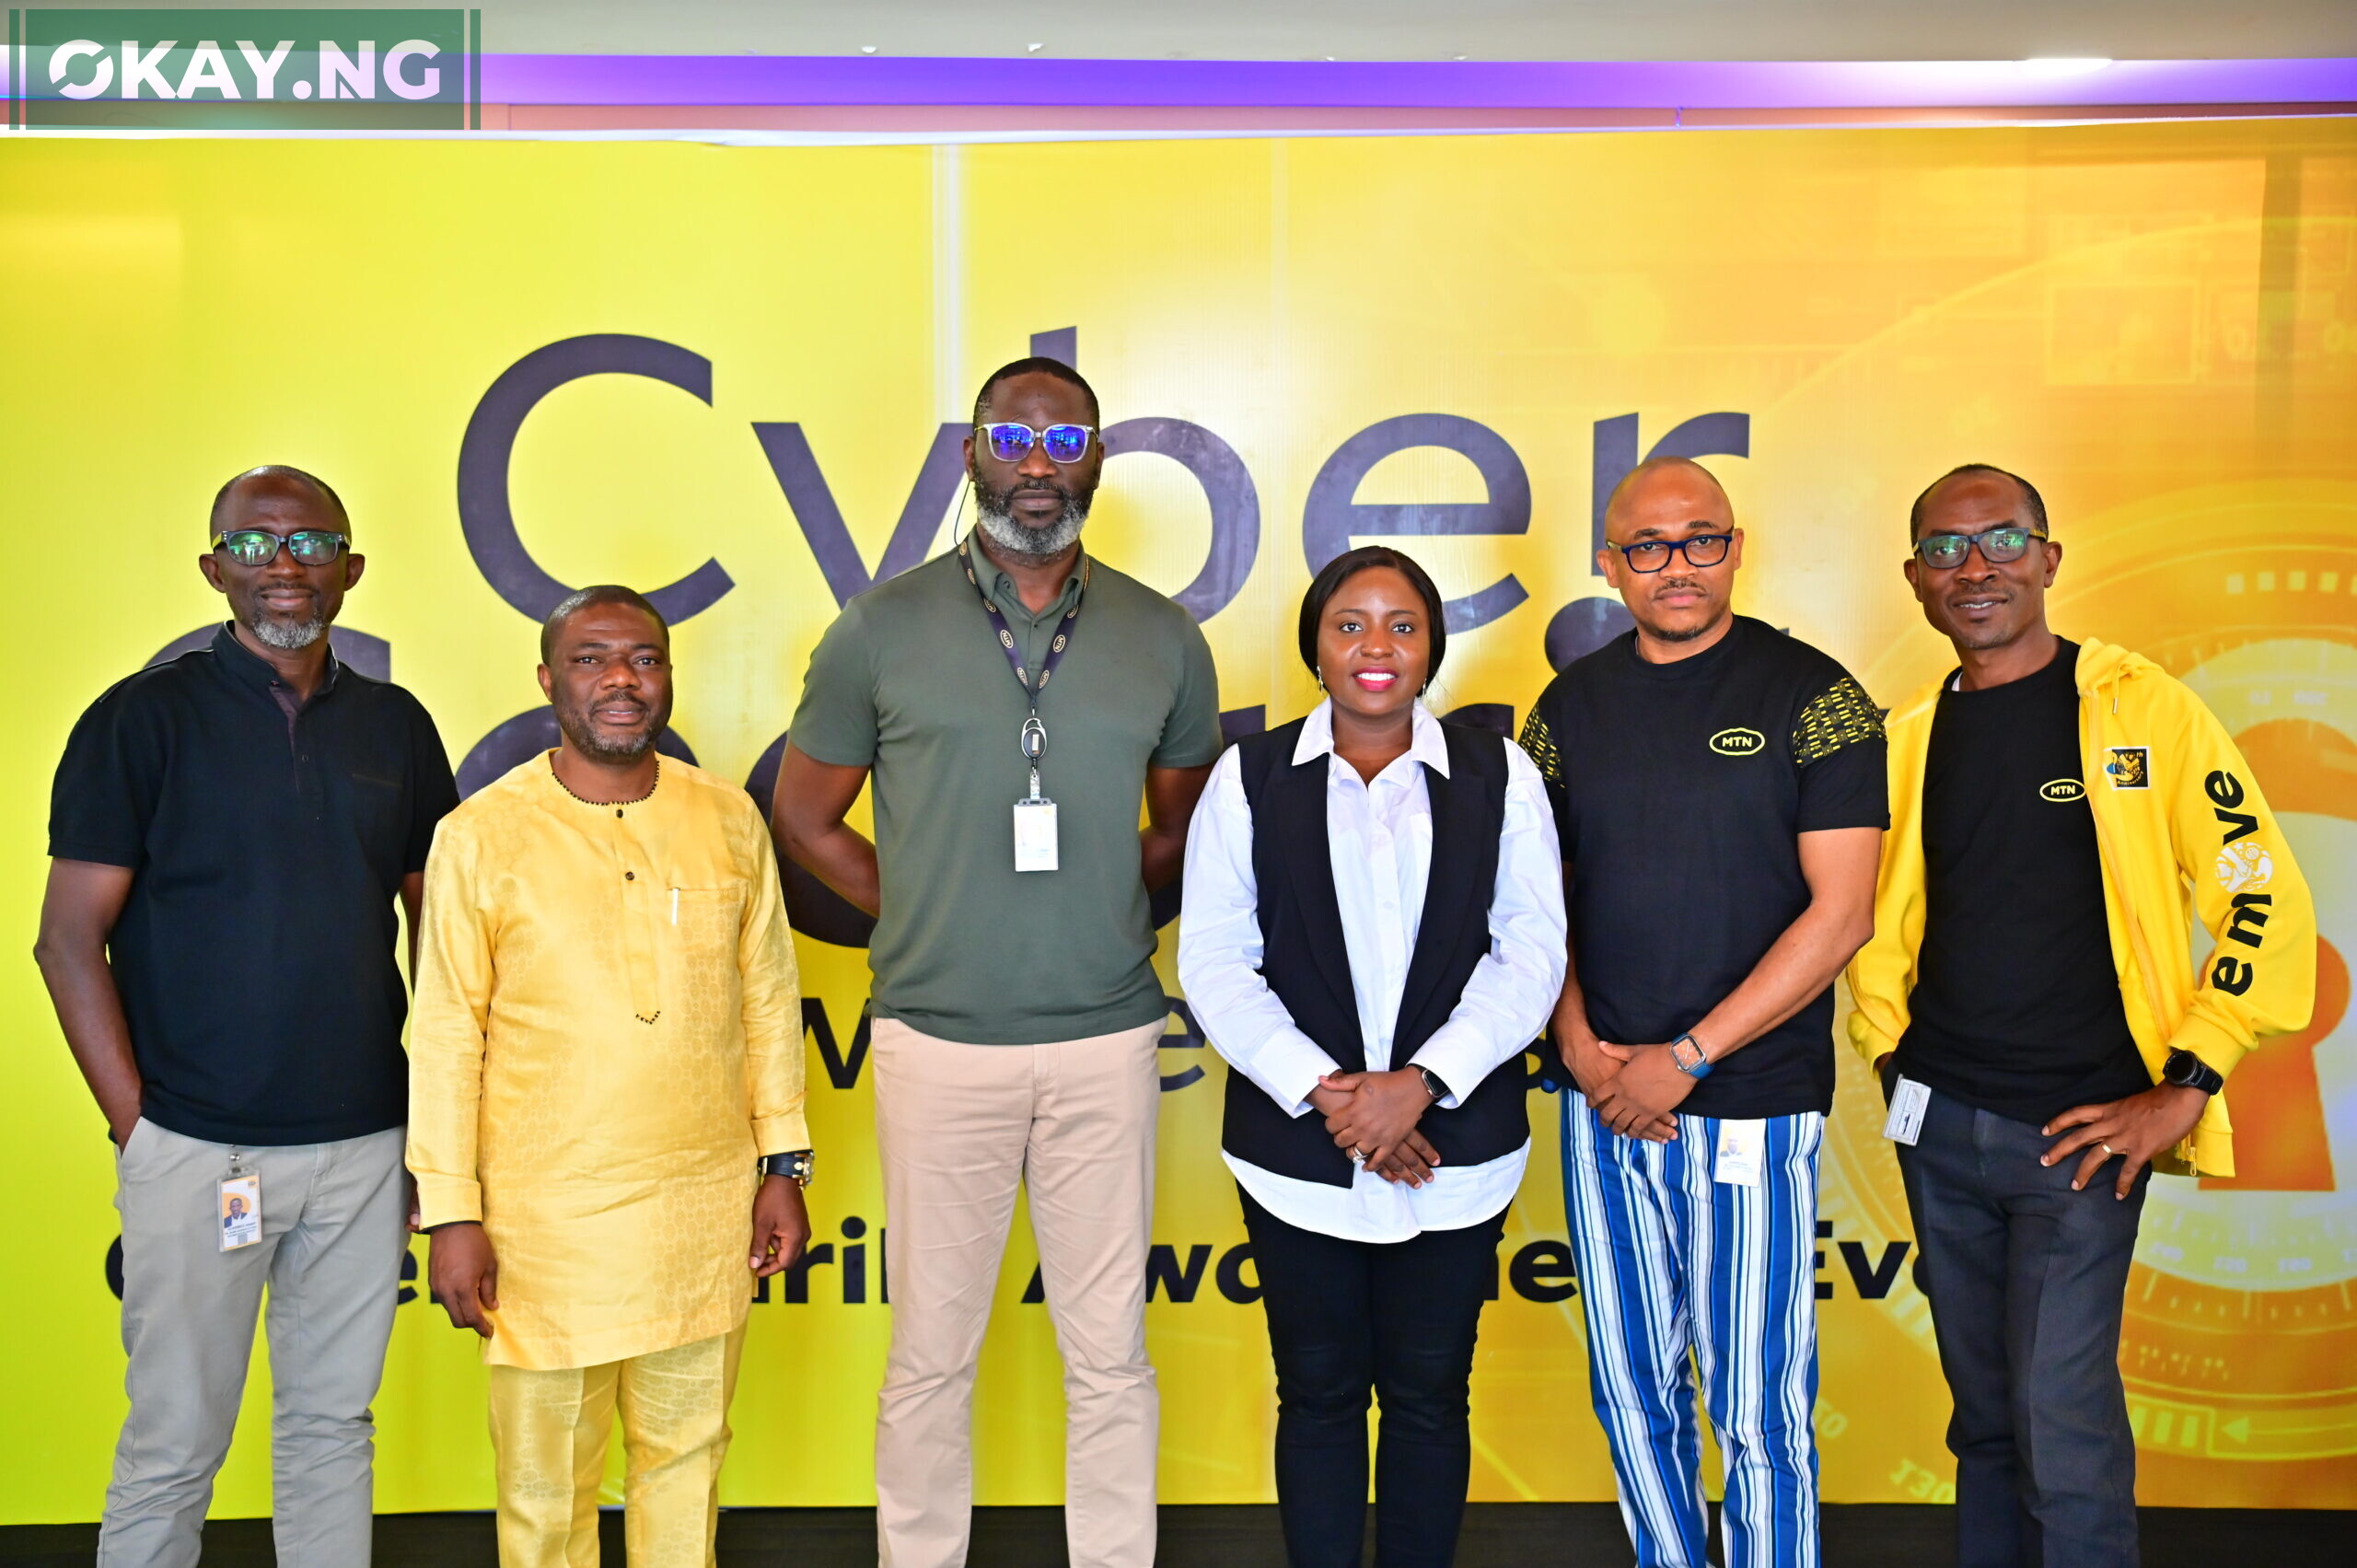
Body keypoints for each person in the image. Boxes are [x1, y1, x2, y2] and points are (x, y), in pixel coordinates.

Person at [773, 356, 1221, 1568]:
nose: (1036, 462)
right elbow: (804, 815)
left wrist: (1101, 914)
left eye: (1062, 436)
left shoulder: (1162, 634)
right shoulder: (881, 629)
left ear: (1096, 459)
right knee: (930, 1348)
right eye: (1010, 436)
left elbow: (1182, 830)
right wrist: (914, 904)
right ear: (971, 453)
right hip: (936, 1040)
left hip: (1108, 1038)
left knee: (1110, 1350)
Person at [1844, 465, 2315, 1568]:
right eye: (1948, 549)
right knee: (1989, 1422)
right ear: (1915, 580)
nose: (1978, 568)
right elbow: (1866, 924)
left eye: (2003, 539)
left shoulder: (2141, 709)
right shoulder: (1907, 738)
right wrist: (1886, 1056)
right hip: (1940, 1126)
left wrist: (2187, 1081)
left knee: (2062, 1425)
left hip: (2082, 1137)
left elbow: (2260, 892)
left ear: (2049, 559)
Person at [35, 465, 459, 1567]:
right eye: (257, 542)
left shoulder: (396, 726)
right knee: (177, 1438)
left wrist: (433, 1131)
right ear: (214, 565)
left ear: (351, 570)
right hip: (201, 1145)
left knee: (331, 1427)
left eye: (312, 542)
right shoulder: (141, 719)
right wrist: (143, 1127)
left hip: (364, 1145)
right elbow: (66, 940)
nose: (284, 564)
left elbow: (447, 941)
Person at [1518, 457, 1886, 1568]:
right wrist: (1576, 1041)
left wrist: (1685, 1055)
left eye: (1700, 541)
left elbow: (1843, 914)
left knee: (1758, 1404)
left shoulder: (1814, 695)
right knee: (1629, 1389)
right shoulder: (1567, 707)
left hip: (1751, 1107)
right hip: (1600, 1100)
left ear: (1734, 547)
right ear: (1607, 559)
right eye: (1647, 545)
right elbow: (1539, 900)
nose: (1675, 566)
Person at [407, 586, 812, 1568]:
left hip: (699, 1212)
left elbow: (768, 1002)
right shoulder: (479, 835)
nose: (622, 678)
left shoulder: (726, 819)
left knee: (687, 1466)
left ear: (668, 676)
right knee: (545, 1492)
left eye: (643, 657)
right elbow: (447, 1033)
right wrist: (450, 1210)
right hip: (540, 1229)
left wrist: (784, 1165)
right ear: (548, 681)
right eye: (591, 659)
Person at [1178, 546, 1564, 1568]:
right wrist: (1337, 1098)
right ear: (1315, 644)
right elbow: (1215, 958)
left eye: (1401, 623)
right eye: (1350, 623)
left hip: (1455, 1144)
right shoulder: (1249, 775)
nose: (1376, 646)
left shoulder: (1499, 771)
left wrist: (1421, 1086)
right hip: (1297, 1154)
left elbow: (1531, 948)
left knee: (1432, 1395)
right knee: (1315, 1392)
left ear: (1432, 643)